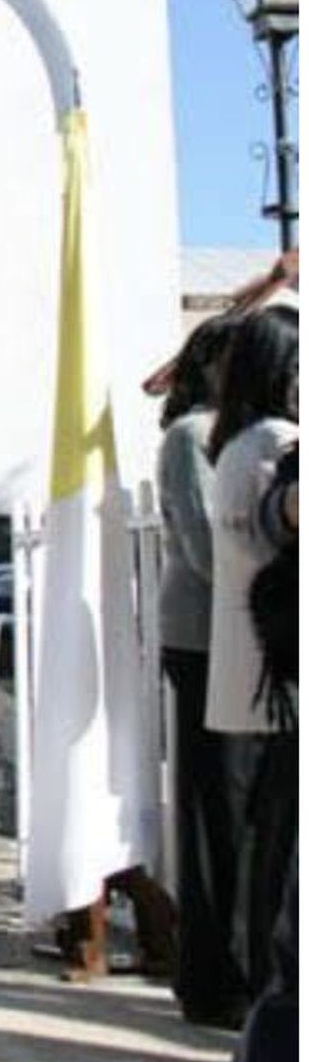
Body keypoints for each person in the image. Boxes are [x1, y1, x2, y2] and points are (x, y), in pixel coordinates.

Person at [155, 314, 253, 1026]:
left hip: (240, 636)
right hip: (204, 638)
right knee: (211, 797)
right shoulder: (192, 437)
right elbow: (202, 546)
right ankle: (210, 969)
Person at [205, 302, 298, 998]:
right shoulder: (272, 443)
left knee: (260, 829)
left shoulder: (234, 443)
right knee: (273, 833)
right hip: (273, 655)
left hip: (246, 647)